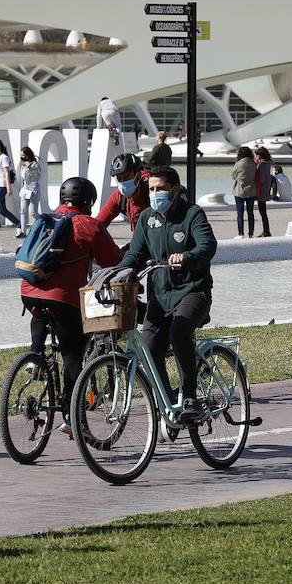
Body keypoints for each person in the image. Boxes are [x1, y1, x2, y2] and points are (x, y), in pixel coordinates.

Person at [20, 177, 122, 433]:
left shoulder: (46, 220)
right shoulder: (89, 225)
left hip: (29, 292)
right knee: (73, 356)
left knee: (42, 310)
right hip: (64, 299)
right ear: (88, 202)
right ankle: (73, 419)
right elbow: (113, 261)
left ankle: (35, 355)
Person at [116, 166, 216, 417]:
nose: (154, 193)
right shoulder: (147, 218)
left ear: (174, 190)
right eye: (151, 189)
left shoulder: (192, 214)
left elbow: (208, 245)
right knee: (149, 350)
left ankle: (190, 397)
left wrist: (188, 256)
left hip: (193, 291)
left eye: (160, 189)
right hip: (159, 298)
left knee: (179, 331)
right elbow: (135, 255)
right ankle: (168, 404)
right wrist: (120, 272)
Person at [96, 153, 150, 237]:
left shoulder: (152, 192)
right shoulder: (119, 197)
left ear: (138, 175)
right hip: (139, 240)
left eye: (127, 176)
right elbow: (98, 224)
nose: (123, 182)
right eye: (119, 178)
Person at [16, 146, 42, 238]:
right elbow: (23, 178)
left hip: (33, 190)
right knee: (22, 211)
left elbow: (37, 177)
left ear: (28, 155)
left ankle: (43, 224)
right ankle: (23, 231)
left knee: (33, 213)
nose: (22, 157)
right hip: (25, 189)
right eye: (21, 155)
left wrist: (30, 169)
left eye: (23, 155)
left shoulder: (35, 164)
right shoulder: (23, 165)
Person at [231, 146, 257, 239]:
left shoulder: (238, 164)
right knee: (251, 213)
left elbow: (233, 176)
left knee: (240, 214)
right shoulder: (254, 164)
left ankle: (240, 234)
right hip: (251, 192)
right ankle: (251, 234)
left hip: (239, 192)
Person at [253, 146, 274, 238]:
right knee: (263, 212)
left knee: (263, 212)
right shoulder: (267, 164)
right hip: (266, 190)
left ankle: (266, 231)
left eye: (256, 155)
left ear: (259, 155)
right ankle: (266, 230)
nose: (255, 157)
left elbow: (261, 179)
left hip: (261, 191)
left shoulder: (262, 164)